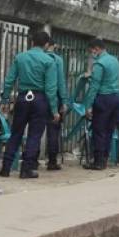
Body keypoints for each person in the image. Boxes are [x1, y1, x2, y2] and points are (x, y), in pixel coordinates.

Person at [0, 30, 59, 179]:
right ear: (46, 44)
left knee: (16, 132)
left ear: (32, 42)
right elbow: (51, 89)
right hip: (40, 100)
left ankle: (5, 168)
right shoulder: (49, 61)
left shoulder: (20, 57)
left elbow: (9, 81)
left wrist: (5, 99)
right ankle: (26, 169)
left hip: (23, 98)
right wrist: (54, 110)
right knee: (34, 135)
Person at [82, 39, 119, 170]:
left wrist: (88, 105)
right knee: (109, 130)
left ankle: (98, 162)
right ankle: (104, 159)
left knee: (99, 130)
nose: (92, 54)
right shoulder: (115, 60)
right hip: (115, 98)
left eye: (91, 51)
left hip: (104, 98)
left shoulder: (99, 64)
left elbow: (94, 86)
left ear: (96, 48)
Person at [45, 39, 69, 170]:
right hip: (54, 97)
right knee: (53, 130)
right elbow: (61, 82)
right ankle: (52, 161)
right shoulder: (57, 60)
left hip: (35, 97)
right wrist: (64, 101)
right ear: (52, 46)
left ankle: (31, 160)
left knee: (35, 131)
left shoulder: (34, 58)